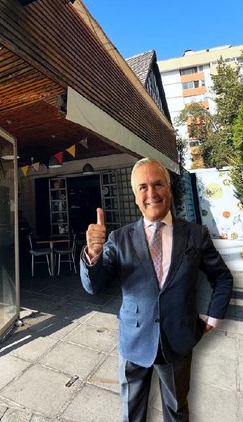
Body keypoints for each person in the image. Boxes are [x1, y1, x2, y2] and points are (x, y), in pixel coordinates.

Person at [81, 158, 233, 422]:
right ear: (135, 196)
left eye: (158, 184)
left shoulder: (195, 234)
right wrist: (93, 253)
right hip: (133, 340)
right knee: (132, 414)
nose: (151, 193)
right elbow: (94, 287)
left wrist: (214, 317)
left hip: (178, 340)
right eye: (143, 187)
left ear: (169, 188)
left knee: (176, 411)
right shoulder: (119, 238)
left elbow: (222, 277)